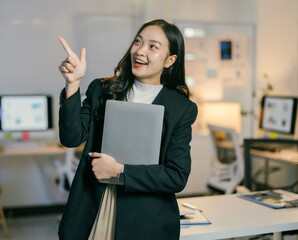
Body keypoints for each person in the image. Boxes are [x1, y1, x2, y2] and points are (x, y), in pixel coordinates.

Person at [57, 19, 198, 240]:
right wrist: (72, 85)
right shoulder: (102, 89)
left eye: (152, 46)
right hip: (93, 210)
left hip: (146, 221)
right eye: (138, 42)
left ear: (170, 60)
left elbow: (176, 177)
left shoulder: (181, 109)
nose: (140, 51)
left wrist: (120, 171)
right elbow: (71, 137)